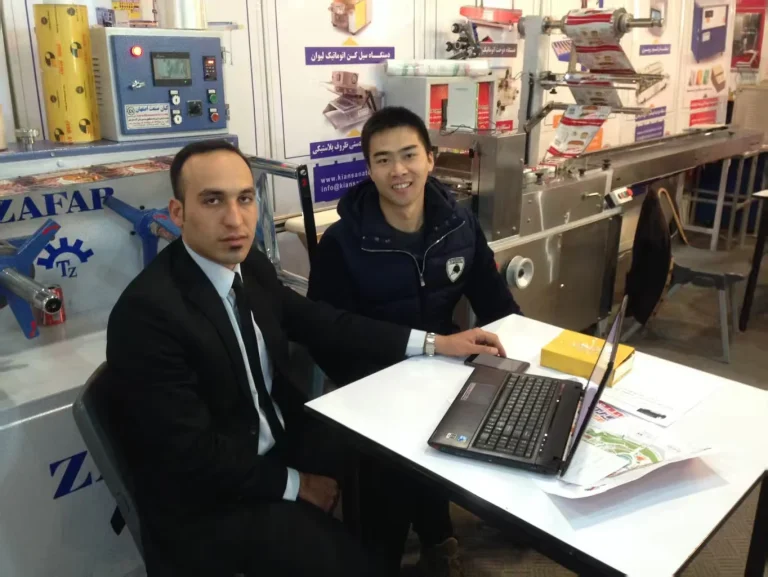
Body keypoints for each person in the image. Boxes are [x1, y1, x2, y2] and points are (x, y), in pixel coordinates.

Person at [105, 139, 507, 577]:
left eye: (245, 198)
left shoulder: (249, 266)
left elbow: (324, 323)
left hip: (276, 442)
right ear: (178, 212)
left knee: (393, 458)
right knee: (350, 558)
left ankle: (400, 551)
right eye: (212, 201)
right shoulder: (148, 315)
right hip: (211, 502)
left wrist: (434, 342)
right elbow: (191, 456)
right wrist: (297, 485)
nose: (235, 219)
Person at [307, 107, 522, 577]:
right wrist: (374, 386)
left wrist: (528, 357)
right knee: (385, 503)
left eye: (408, 155)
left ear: (430, 158)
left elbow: (497, 305)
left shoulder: (459, 226)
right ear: (369, 169)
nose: (398, 170)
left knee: (447, 458)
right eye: (383, 159)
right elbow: (323, 331)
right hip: (370, 383)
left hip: (442, 375)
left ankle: (437, 542)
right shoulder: (343, 242)